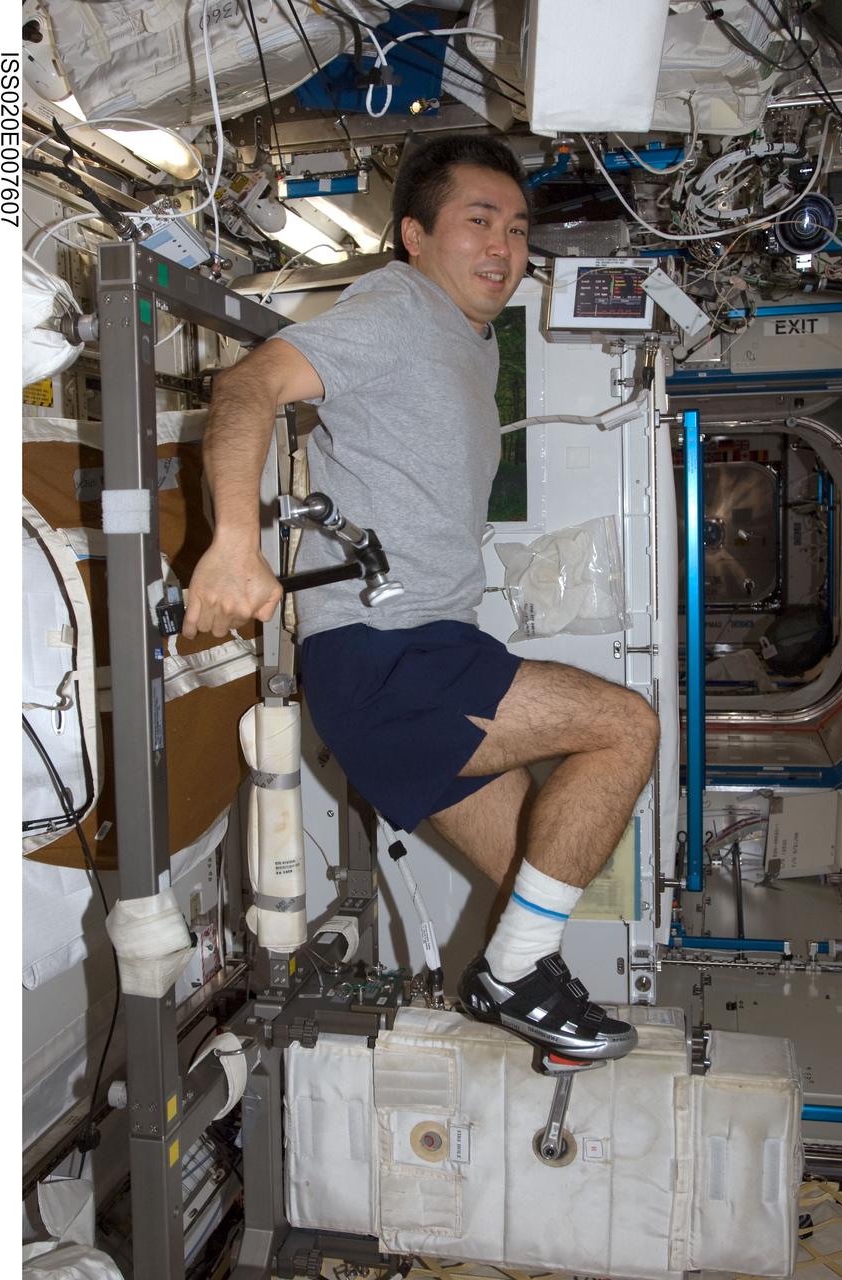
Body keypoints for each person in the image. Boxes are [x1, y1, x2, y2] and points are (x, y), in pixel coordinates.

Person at [183, 134, 659, 1062]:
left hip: (432, 644)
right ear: (413, 236)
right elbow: (249, 386)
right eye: (477, 222)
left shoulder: (472, 349)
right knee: (626, 726)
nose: (504, 247)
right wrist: (233, 541)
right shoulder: (398, 308)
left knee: (537, 865)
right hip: (386, 652)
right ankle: (511, 974)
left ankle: (524, 979)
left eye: (517, 229)